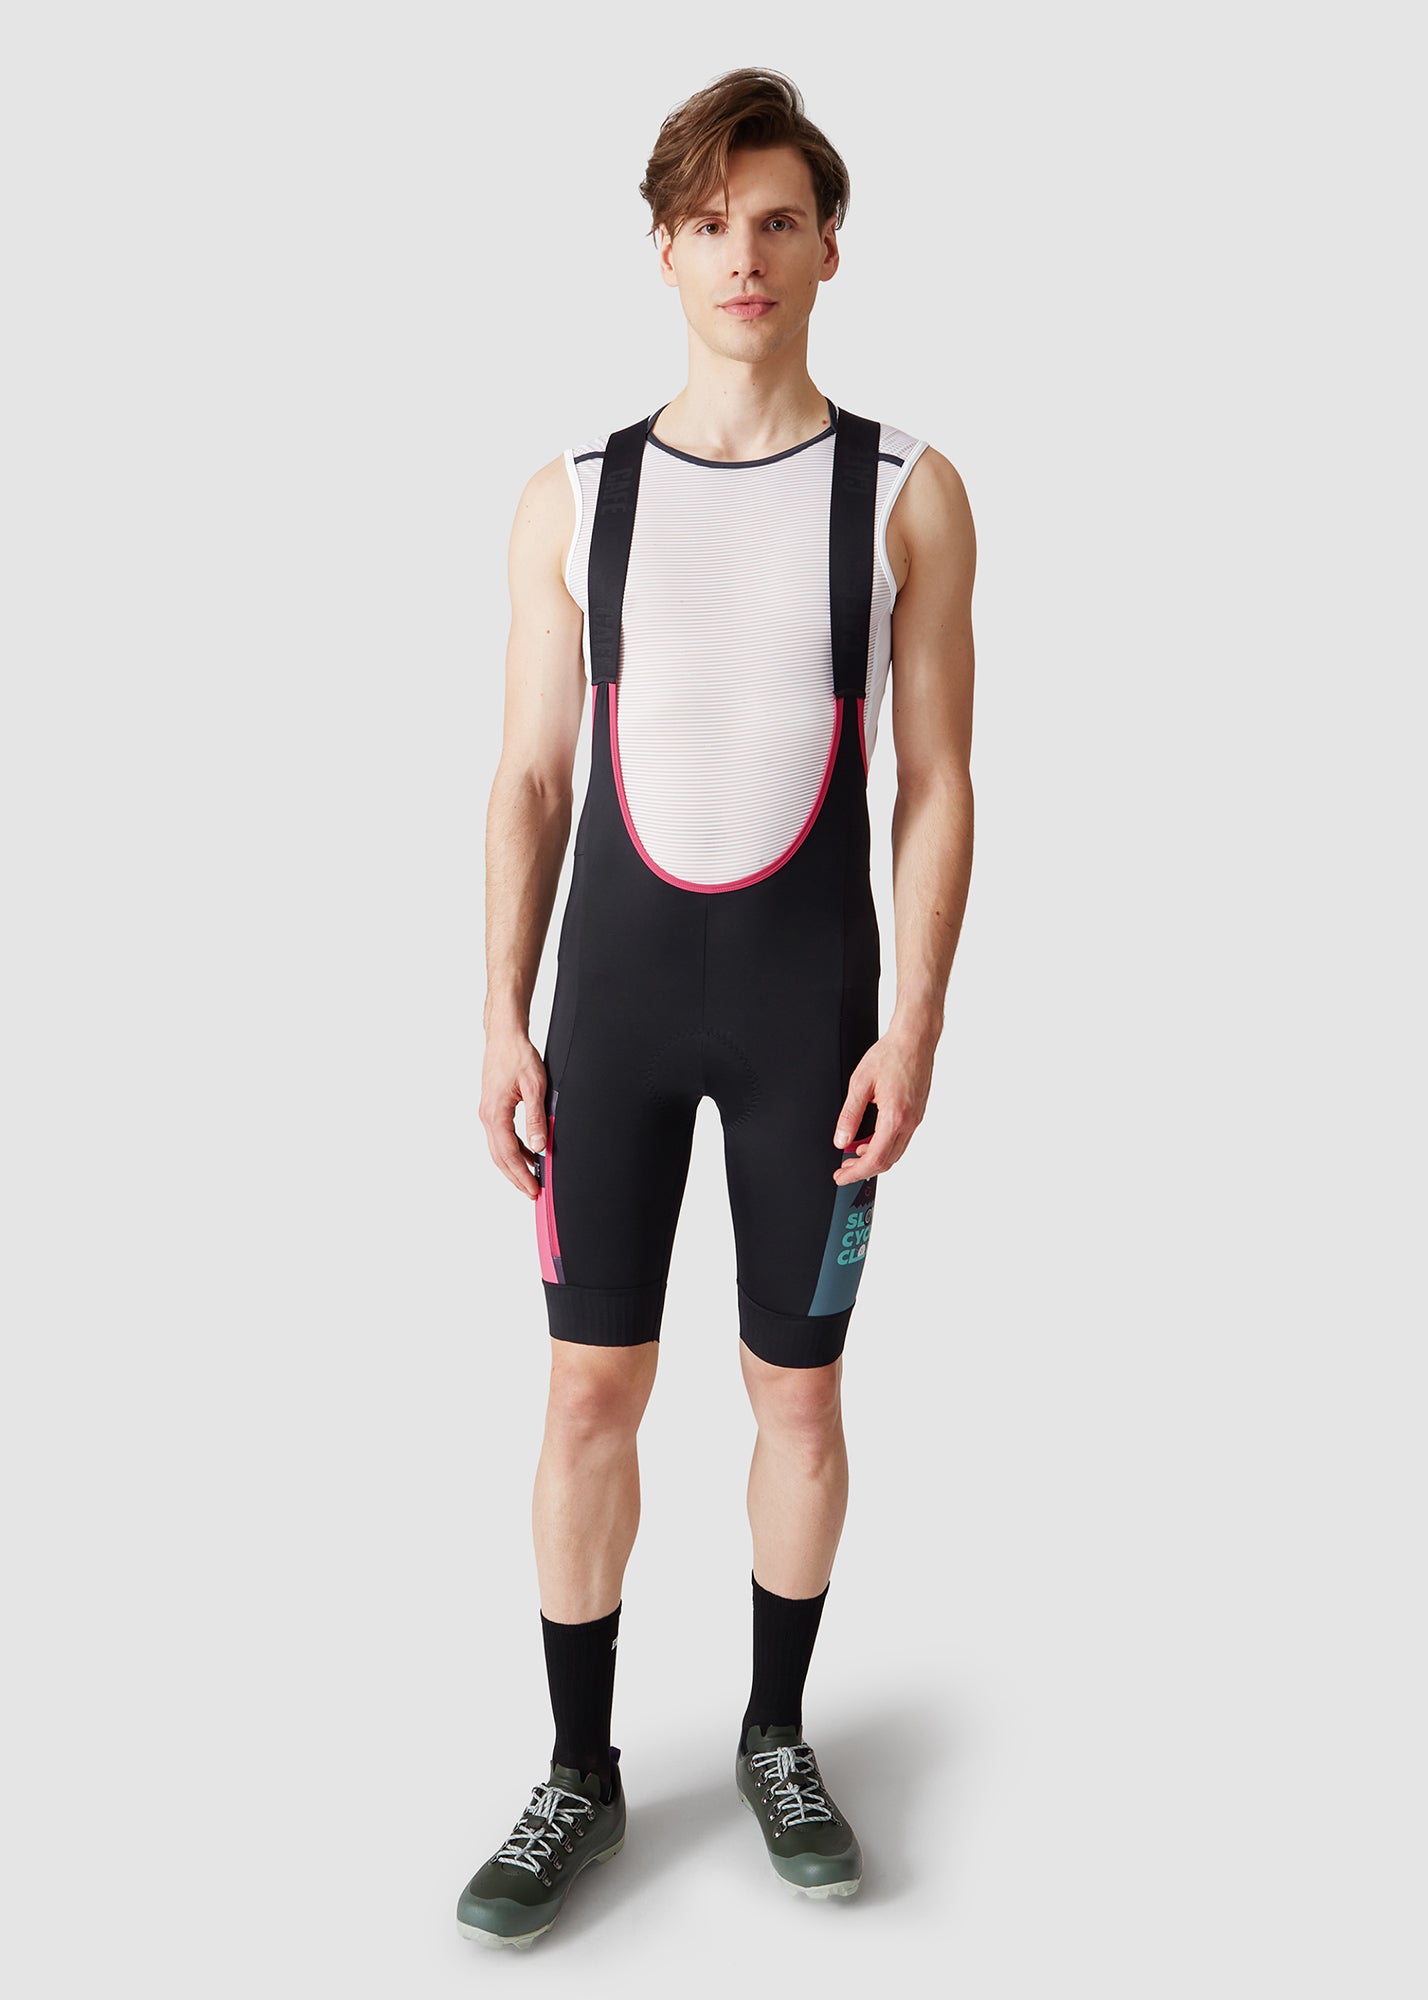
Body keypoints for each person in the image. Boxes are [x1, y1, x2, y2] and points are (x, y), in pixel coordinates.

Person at [457, 65, 976, 1949]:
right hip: (608, 1013)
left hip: (807, 1020)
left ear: (830, 245)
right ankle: (578, 1769)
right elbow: (530, 779)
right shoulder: (576, 496)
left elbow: (939, 781)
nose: (744, 255)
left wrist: (914, 1025)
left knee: (798, 1394)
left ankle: (775, 1734)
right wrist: (500, 1016)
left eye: (778, 220)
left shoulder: (905, 493)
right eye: (709, 225)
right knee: (589, 1388)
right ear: (663, 252)